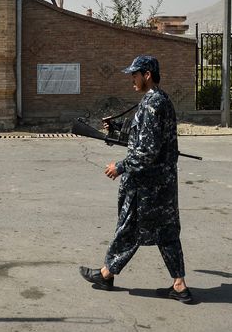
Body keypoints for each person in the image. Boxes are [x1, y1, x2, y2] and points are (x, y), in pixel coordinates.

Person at [79, 55, 193, 303]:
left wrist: (120, 167)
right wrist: (117, 128)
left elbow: (147, 151)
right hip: (162, 183)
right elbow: (142, 134)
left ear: (147, 74)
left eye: (135, 74)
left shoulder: (153, 104)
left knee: (130, 227)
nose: (132, 78)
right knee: (167, 233)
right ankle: (180, 285)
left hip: (147, 184)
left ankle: (106, 274)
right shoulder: (157, 100)